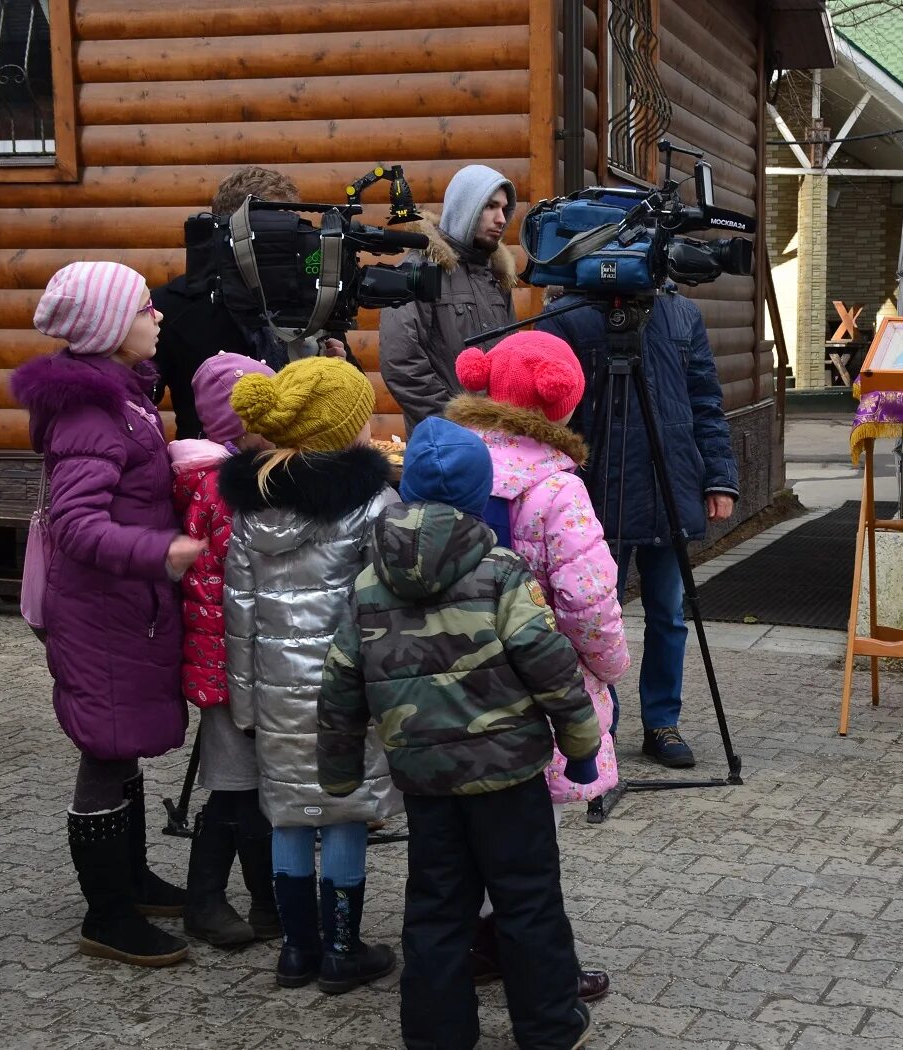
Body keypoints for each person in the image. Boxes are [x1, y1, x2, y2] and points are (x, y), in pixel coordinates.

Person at [318, 416, 601, 1050]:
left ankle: (437, 1035)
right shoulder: (501, 572)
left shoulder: (368, 582)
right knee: (528, 899)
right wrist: (581, 749)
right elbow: (551, 666)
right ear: (479, 495)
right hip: (509, 778)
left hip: (427, 781)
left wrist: (337, 771)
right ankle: (549, 1027)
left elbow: (339, 682)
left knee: (436, 904)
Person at [11, 262, 199, 968]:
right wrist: (161, 551)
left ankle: (133, 878)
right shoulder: (92, 413)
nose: (158, 316)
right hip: (100, 608)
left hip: (124, 605)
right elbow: (76, 523)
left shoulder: (124, 395)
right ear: (109, 327)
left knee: (121, 741)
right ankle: (107, 914)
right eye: (145, 308)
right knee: (105, 746)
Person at [446, 331, 628, 1002]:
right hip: (536, 685)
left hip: (451, 681)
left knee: (465, 828)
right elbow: (588, 601)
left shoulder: (445, 465)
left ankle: (472, 942)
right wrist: (608, 668)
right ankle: (538, 965)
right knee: (530, 839)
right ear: (561, 401)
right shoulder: (557, 489)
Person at [219, 356, 402, 994]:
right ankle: (342, 951)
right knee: (345, 811)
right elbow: (384, 608)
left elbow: (238, 612)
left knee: (290, 813)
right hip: (349, 693)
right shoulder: (375, 503)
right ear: (345, 429)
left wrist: (246, 705)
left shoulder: (251, 508)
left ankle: (297, 950)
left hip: (276, 697)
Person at [535, 289, 739, 769]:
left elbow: (706, 401)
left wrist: (719, 477)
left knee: (668, 614)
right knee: (590, 614)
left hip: (670, 484)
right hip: (594, 492)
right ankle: (598, 726)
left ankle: (662, 724)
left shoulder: (681, 314)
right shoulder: (567, 315)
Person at [169, 351, 280, 947]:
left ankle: (264, 904)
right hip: (229, 663)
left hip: (235, 658)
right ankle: (207, 901)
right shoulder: (229, 490)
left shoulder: (224, 478)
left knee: (249, 787)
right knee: (237, 787)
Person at [151, 166, 344, 438]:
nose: (286, 242)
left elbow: (346, 397)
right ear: (231, 231)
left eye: (290, 228)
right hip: (214, 462)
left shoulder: (311, 297)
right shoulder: (170, 306)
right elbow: (137, 403)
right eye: (272, 231)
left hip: (300, 458)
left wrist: (339, 369)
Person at [379, 164, 517, 432]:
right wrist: (455, 425)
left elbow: (512, 358)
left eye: (504, 209)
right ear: (465, 208)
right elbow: (400, 362)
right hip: (443, 442)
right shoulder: (419, 270)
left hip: (499, 443)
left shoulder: (496, 277)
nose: (501, 219)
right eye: (490, 206)